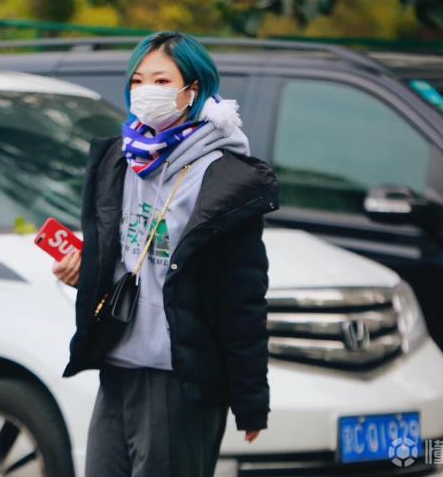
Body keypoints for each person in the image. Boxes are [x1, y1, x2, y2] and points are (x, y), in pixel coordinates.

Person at [52, 30, 279, 477]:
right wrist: (86, 272)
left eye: (160, 81)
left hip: (178, 378)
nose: (145, 92)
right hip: (116, 365)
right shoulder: (119, 161)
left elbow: (243, 297)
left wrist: (251, 400)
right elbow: (118, 255)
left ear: (192, 90)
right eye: (137, 81)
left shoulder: (223, 179)